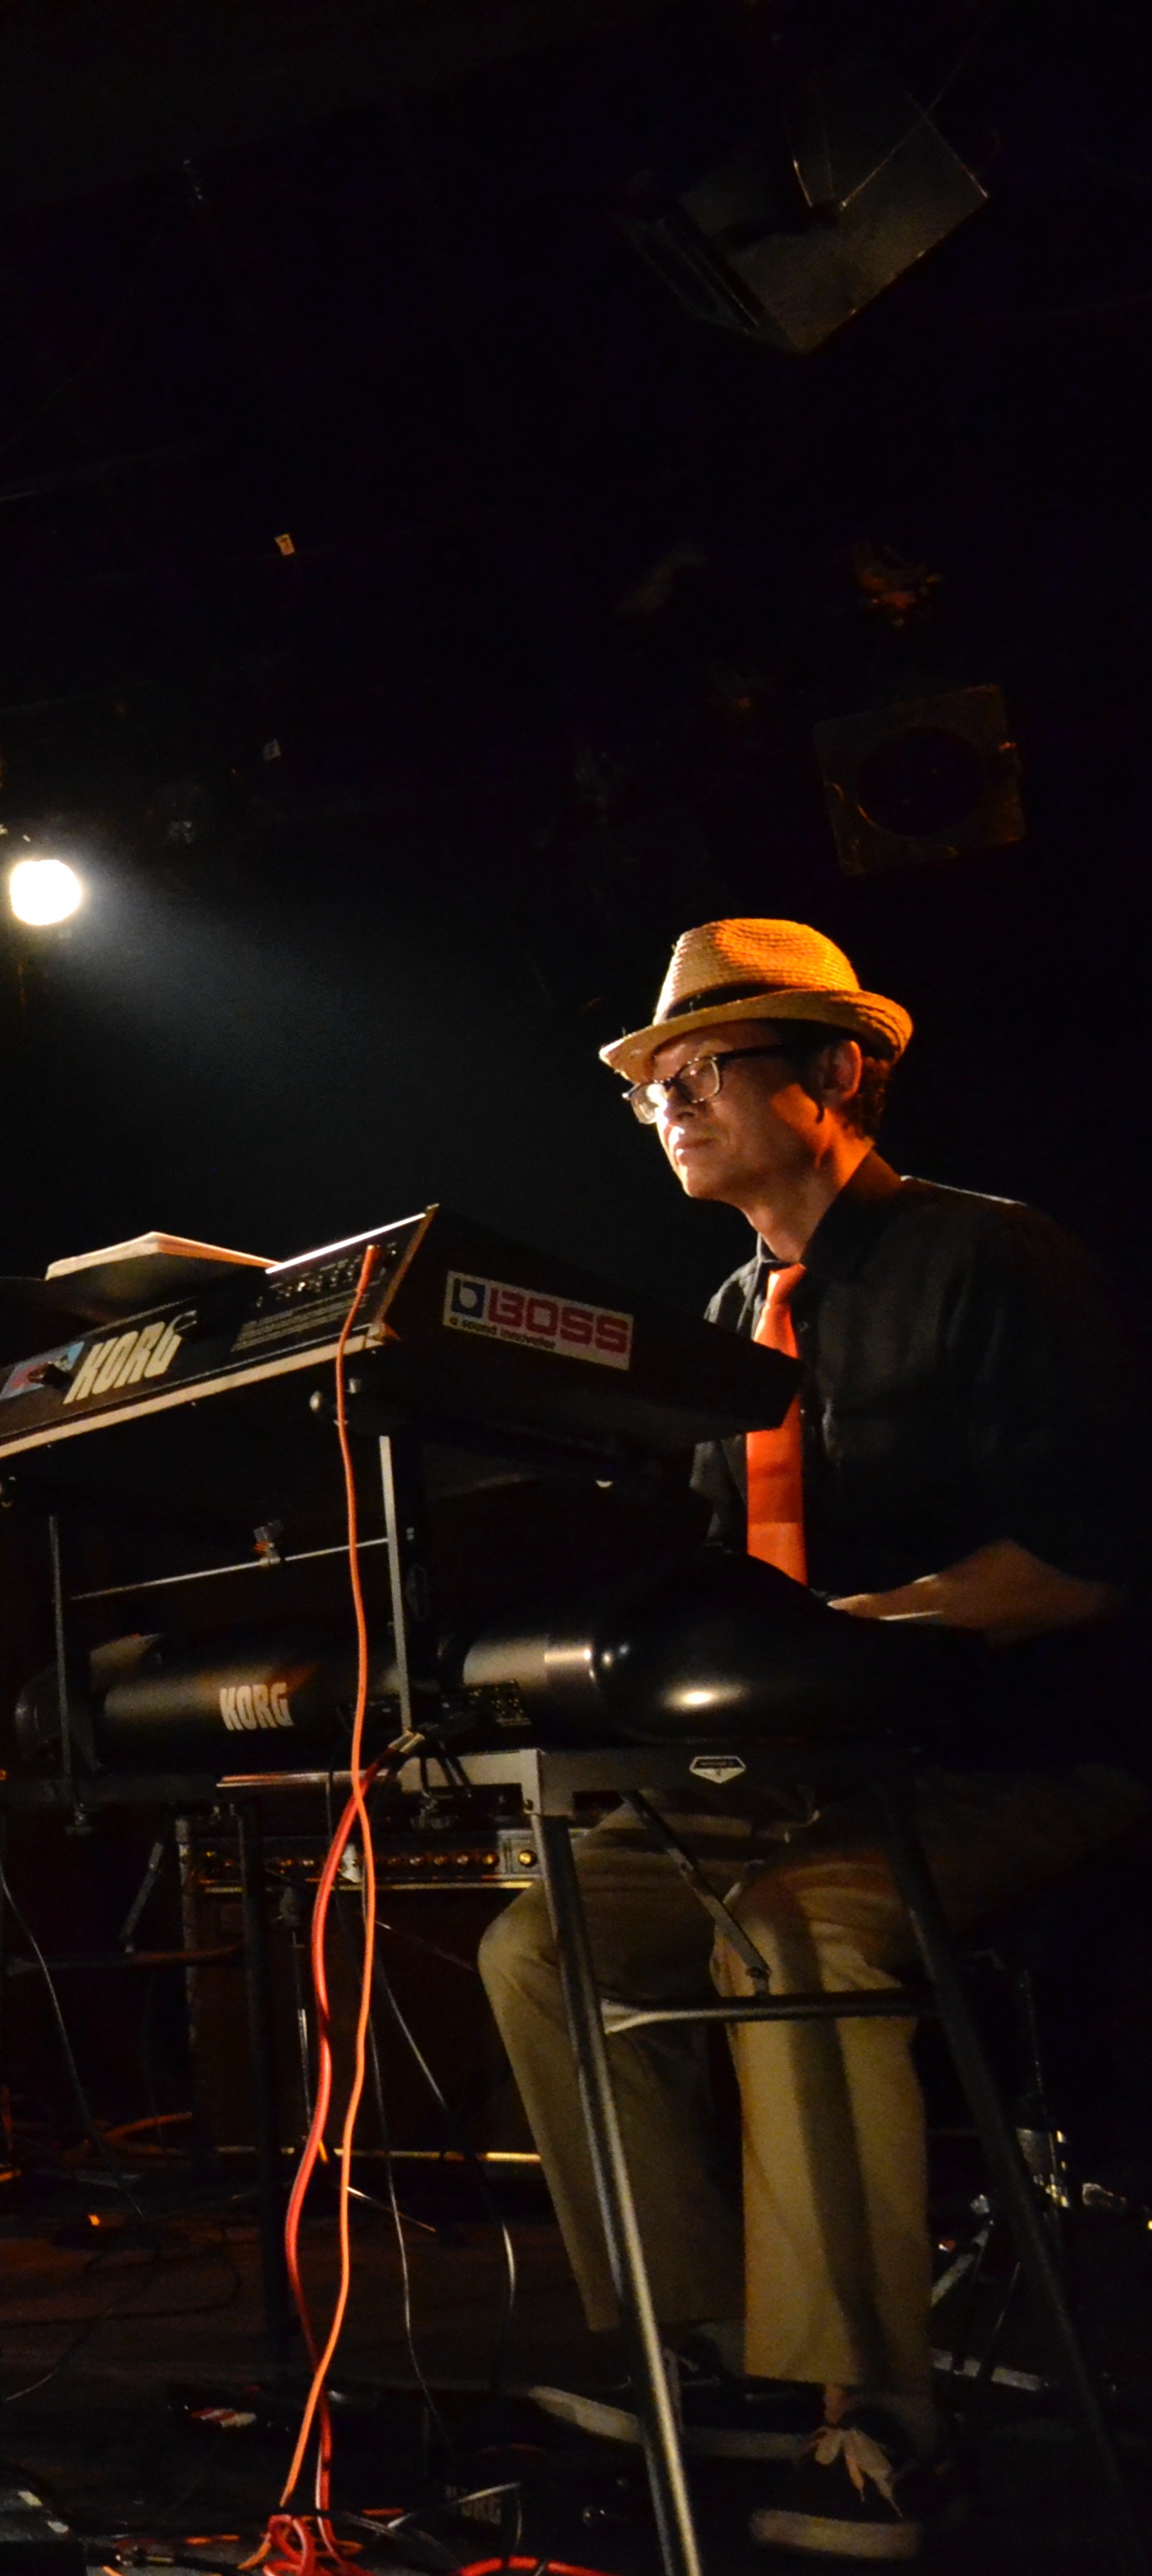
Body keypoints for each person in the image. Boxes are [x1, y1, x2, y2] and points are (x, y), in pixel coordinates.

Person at [477, 921, 1145, 2561]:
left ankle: (877, 2411)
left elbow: (1080, 1563)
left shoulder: (993, 1259)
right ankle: (708, 2353)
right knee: (544, 1940)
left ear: (834, 1071)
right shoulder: (730, 1316)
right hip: (809, 1771)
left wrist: (845, 1638)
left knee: (792, 1929)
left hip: (1018, 1757)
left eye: (701, 1069)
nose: (668, 1105)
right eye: (649, 1086)